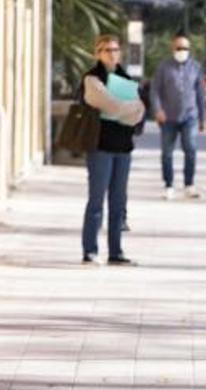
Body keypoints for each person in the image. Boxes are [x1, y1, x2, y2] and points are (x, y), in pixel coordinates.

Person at [80, 35, 145, 265]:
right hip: (100, 147)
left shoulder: (126, 78)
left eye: (115, 49)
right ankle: (90, 250)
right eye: (107, 50)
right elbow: (110, 105)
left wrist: (126, 110)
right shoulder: (92, 79)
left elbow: (139, 111)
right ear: (97, 53)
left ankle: (115, 252)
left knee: (118, 203)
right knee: (96, 201)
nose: (112, 54)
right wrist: (127, 109)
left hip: (123, 148)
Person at [150, 32, 205, 200]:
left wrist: (202, 118)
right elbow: (155, 90)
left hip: (190, 116)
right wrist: (157, 110)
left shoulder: (196, 67)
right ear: (172, 47)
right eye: (179, 47)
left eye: (185, 48)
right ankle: (169, 185)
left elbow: (200, 94)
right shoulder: (163, 67)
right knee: (167, 152)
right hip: (168, 117)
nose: (182, 50)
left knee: (191, 149)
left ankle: (189, 184)